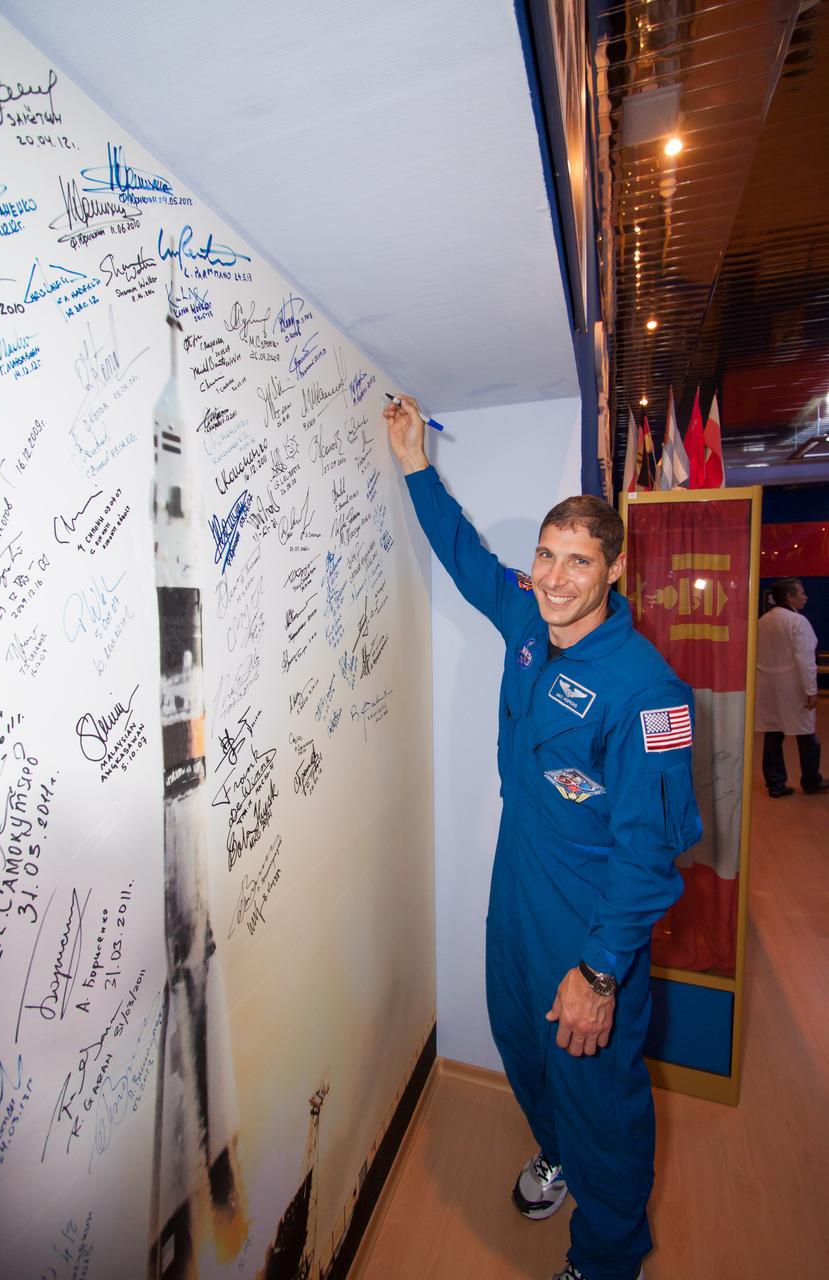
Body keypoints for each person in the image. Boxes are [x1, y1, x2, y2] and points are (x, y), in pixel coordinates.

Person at [384, 396, 702, 1280]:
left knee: (600, 1098)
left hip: (589, 923)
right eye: (546, 556)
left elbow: (647, 856)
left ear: (612, 568)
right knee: (522, 1044)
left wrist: (599, 973)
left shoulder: (648, 691)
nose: (555, 577)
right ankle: (554, 1151)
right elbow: (466, 562)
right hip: (515, 890)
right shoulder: (529, 621)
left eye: (577, 561)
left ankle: (605, 1260)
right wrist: (414, 460)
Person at [755, 577, 827, 797]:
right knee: (806, 734)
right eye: (802, 593)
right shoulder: (798, 622)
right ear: (789, 597)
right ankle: (811, 780)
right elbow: (805, 659)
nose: (805, 597)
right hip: (794, 686)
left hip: (767, 686)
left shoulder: (763, 621)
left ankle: (775, 785)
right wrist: (811, 690)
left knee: (773, 735)